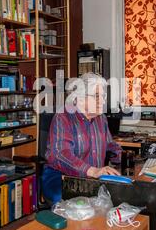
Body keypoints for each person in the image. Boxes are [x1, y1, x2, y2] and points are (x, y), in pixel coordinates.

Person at [42, 73, 122, 204]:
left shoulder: (101, 119)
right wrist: (93, 171)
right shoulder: (63, 117)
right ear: (79, 98)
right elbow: (61, 155)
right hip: (61, 176)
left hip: (91, 179)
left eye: (103, 96)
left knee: (118, 198)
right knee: (75, 206)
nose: (102, 101)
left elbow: (110, 145)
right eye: (97, 96)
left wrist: (125, 159)